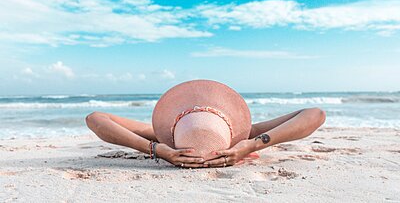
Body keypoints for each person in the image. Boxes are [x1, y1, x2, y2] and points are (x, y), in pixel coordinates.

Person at [86, 80, 325, 168]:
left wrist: (156, 148)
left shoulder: (164, 137)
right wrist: (251, 145)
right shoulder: (244, 135)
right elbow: (315, 113)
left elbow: (315, 114)